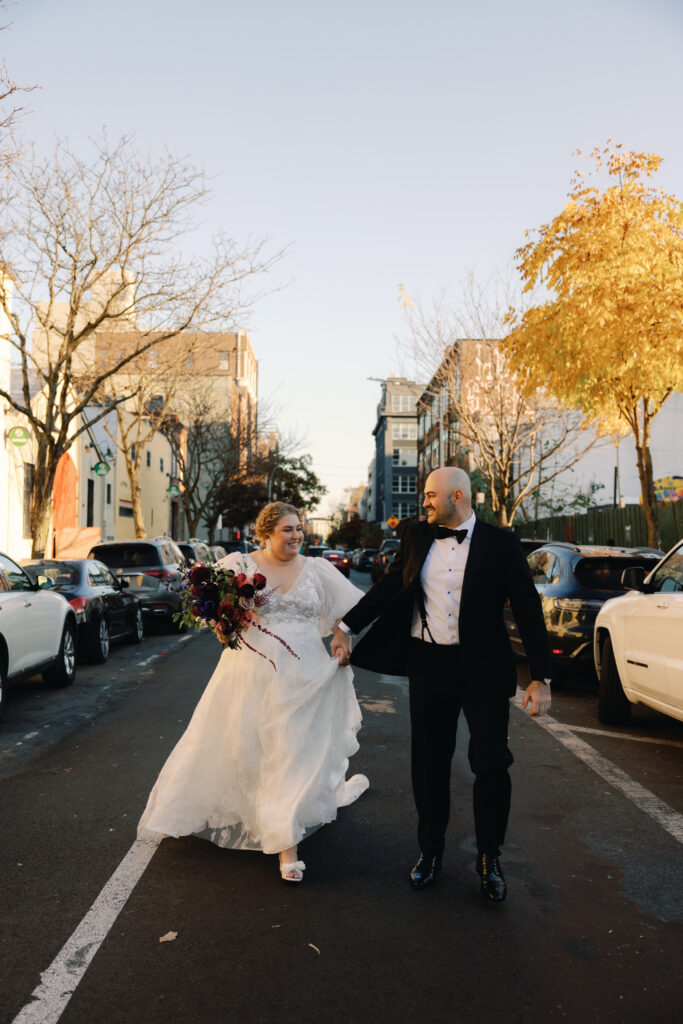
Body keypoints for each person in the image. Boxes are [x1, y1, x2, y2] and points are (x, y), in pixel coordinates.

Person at [331, 467, 551, 901]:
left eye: (431, 496)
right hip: (429, 663)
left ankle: (490, 857)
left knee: (491, 763)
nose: (425, 502)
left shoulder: (501, 543)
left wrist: (540, 677)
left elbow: (527, 606)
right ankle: (429, 852)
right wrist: (346, 626)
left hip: (484, 668)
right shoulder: (415, 537)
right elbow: (390, 586)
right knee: (430, 763)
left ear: (457, 497)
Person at [138, 502, 369, 883]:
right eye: (287, 530)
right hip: (253, 670)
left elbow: (351, 610)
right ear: (265, 535)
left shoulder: (317, 569)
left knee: (293, 750)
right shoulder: (239, 566)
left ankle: (285, 843)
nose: (296, 535)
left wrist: (342, 637)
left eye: (299, 528)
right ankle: (271, 824)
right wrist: (223, 625)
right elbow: (212, 614)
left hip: (307, 672)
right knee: (252, 748)